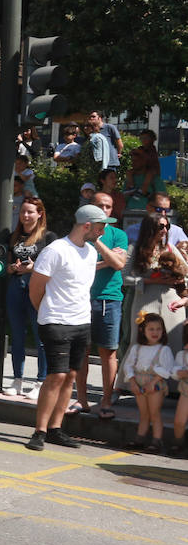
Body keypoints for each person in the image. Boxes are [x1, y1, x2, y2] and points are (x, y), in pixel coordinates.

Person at [25, 204, 113, 451]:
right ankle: (39, 431)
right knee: (57, 375)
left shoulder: (89, 252)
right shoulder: (56, 250)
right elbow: (36, 288)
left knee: (71, 375)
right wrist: (46, 311)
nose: (102, 232)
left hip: (81, 321)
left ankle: (55, 428)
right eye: (100, 227)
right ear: (87, 226)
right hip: (55, 321)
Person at [74, 192, 129, 419]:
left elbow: (118, 264)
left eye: (108, 207)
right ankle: (82, 400)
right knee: (82, 352)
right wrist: (105, 261)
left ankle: (106, 401)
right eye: (100, 206)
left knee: (108, 352)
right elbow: (76, 267)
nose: (105, 210)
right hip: (81, 298)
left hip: (109, 298)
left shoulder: (118, 235)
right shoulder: (79, 234)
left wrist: (96, 243)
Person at [4, 198, 56, 396]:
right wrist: (13, 268)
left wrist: (34, 268)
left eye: (30, 212)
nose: (26, 216)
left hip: (38, 288)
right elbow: (6, 266)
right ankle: (17, 380)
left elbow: (54, 267)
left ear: (40, 214)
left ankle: (40, 382)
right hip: (16, 286)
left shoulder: (49, 237)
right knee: (17, 336)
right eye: (23, 212)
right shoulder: (14, 237)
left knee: (40, 336)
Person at [126, 212, 188, 355]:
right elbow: (124, 278)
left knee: (174, 342)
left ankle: (172, 377)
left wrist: (184, 295)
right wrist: (150, 281)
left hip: (172, 302)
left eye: (167, 226)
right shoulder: (135, 249)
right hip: (144, 299)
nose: (165, 230)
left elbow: (186, 274)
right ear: (150, 227)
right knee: (141, 343)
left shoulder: (171, 248)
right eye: (161, 226)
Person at [120, 312, 173, 452]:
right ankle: (140, 438)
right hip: (138, 383)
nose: (155, 332)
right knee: (144, 413)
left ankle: (157, 441)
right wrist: (132, 382)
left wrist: (153, 381)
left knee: (154, 413)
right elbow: (128, 365)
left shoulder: (164, 349)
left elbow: (167, 370)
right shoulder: (136, 348)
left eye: (158, 329)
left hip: (155, 385)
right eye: (151, 329)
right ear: (143, 330)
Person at [124, 143, 165, 212]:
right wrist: (130, 182)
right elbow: (124, 198)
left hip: (148, 217)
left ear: (145, 161)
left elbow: (162, 201)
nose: (133, 163)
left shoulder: (155, 179)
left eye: (136, 161)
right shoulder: (129, 176)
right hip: (129, 215)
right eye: (132, 161)